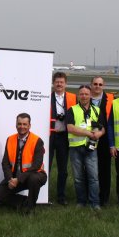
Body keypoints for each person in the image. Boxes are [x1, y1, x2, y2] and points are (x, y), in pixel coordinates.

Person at [0, 113, 47, 214]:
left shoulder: (37, 141)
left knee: (34, 179)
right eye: (19, 124)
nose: (22, 127)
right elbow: (5, 163)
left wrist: (19, 179)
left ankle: (30, 209)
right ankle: (25, 202)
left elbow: (37, 165)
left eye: (25, 124)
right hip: (14, 177)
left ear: (29, 126)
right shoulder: (10, 139)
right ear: (16, 125)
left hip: (34, 175)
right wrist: (10, 179)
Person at [67, 85, 106, 210]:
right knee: (78, 178)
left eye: (86, 94)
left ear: (90, 95)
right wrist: (89, 133)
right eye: (81, 94)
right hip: (76, 148)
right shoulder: (72, 110)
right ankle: (81, 201)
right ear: (78, 95)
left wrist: (99, 134)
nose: (84, 96)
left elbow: (102, 128)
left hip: (91, 147)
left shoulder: (97, 110)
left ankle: (95, 203)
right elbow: (71, 128)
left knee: (93, 177)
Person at [49, 71, 77, 205]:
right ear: (53, 83)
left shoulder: (73, 97)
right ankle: (43, 195)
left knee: (63, 169)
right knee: (45, 167)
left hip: (64, 136)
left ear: (66, 84)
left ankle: (61, 196)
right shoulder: (46, 97)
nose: (59, 84)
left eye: (61, 82)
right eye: (57, 82)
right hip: (49, 135)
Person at [90, 76, 115, 206]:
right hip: (88, 137)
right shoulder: (84, 98)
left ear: (103, 86)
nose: (97, 86)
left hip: (105, 139)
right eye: (95, 84)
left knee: (105, 169)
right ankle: (91, 196)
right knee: (89, 169)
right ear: (91, 85)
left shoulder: (111, 99)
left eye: (100, 84)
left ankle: (104, 197)